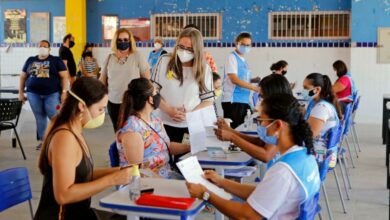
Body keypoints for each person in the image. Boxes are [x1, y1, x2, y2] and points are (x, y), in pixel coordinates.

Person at [187, 94, 320, 220]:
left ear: (278, 125)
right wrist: (221, 182)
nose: (260, 126)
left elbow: (246, 216)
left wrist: (206, 194)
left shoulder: (283, 171)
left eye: (261, 121)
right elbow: (264, 193)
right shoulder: (305, 156)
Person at [34, 77, 132, 220]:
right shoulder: (64, 138)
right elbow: (63, 195)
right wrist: (112, 180)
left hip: (79, 213)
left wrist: (120, 171)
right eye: (100, 109)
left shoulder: (75, 130)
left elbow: (81, 175)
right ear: (82, 106)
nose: (102, 115)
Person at [152, 27, 213, 149]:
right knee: (163, 159)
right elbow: (153, 91)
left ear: (197, 50)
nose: (184, 51)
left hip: (189, 125)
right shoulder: (164, 61)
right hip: (162, 122)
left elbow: (208, 100)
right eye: (181, 47)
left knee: (185, 162)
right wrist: (169, 109)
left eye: (189, 49)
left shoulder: (204, 68)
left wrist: (189, 114)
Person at [116, 78, 190, 179]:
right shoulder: (132, 130)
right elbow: (138, 171)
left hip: (165, 172)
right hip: (146, 182)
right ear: (150, 99)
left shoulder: (154, 118)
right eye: (156, 92)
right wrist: (171, 185)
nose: (158, 96)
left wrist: (189, 147)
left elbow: (167, 146)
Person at [215, 74, 293, 163]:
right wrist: (230, 131)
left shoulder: (282, 118)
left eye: (263, 97)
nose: (261, 101)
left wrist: (232, 137)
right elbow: (260, 142)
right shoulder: (281, 112)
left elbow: (266, 155)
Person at [19, 40, 69, 150]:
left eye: (45, 46)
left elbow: (64, 77)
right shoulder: (30, 60)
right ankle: (44, 142)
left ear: (49, 49)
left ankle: (59, 139)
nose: (42, 48)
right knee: (40, 117)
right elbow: (22, 77)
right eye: (40, 46)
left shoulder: (55, 60)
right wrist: (21, 92)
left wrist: (64, 92)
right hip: (33, 94)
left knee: (54, 116)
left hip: (51, 94)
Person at [99, 28, 150, 131]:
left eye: (126, 40)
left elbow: (147, 80)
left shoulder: (137, 56)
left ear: (130, 41)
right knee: (118, 132)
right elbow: (102, 80)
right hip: (113, 102)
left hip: (133, 103)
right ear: (115, 41)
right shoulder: (109, 58)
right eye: (120, 40)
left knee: (133, 132)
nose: (123, 42)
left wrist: (147, 101)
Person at [221, 32, 260, 128]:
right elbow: (234, 79)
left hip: (243, 100)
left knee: (242, 129)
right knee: (234, 131)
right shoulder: (232, 57)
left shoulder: (244, 61)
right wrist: (255, 88)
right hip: (233, 100)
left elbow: (243, 78)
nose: (245, 47)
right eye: (243, 44)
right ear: (237, 43)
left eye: (248, 45)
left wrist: (252, 80)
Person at [302, 73, 342, 163]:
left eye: (306, 88)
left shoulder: (321, 108)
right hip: (326, 153)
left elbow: (309, 135)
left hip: (320, 156)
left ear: (317, 89)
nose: (303, 91)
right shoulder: (321, 104)